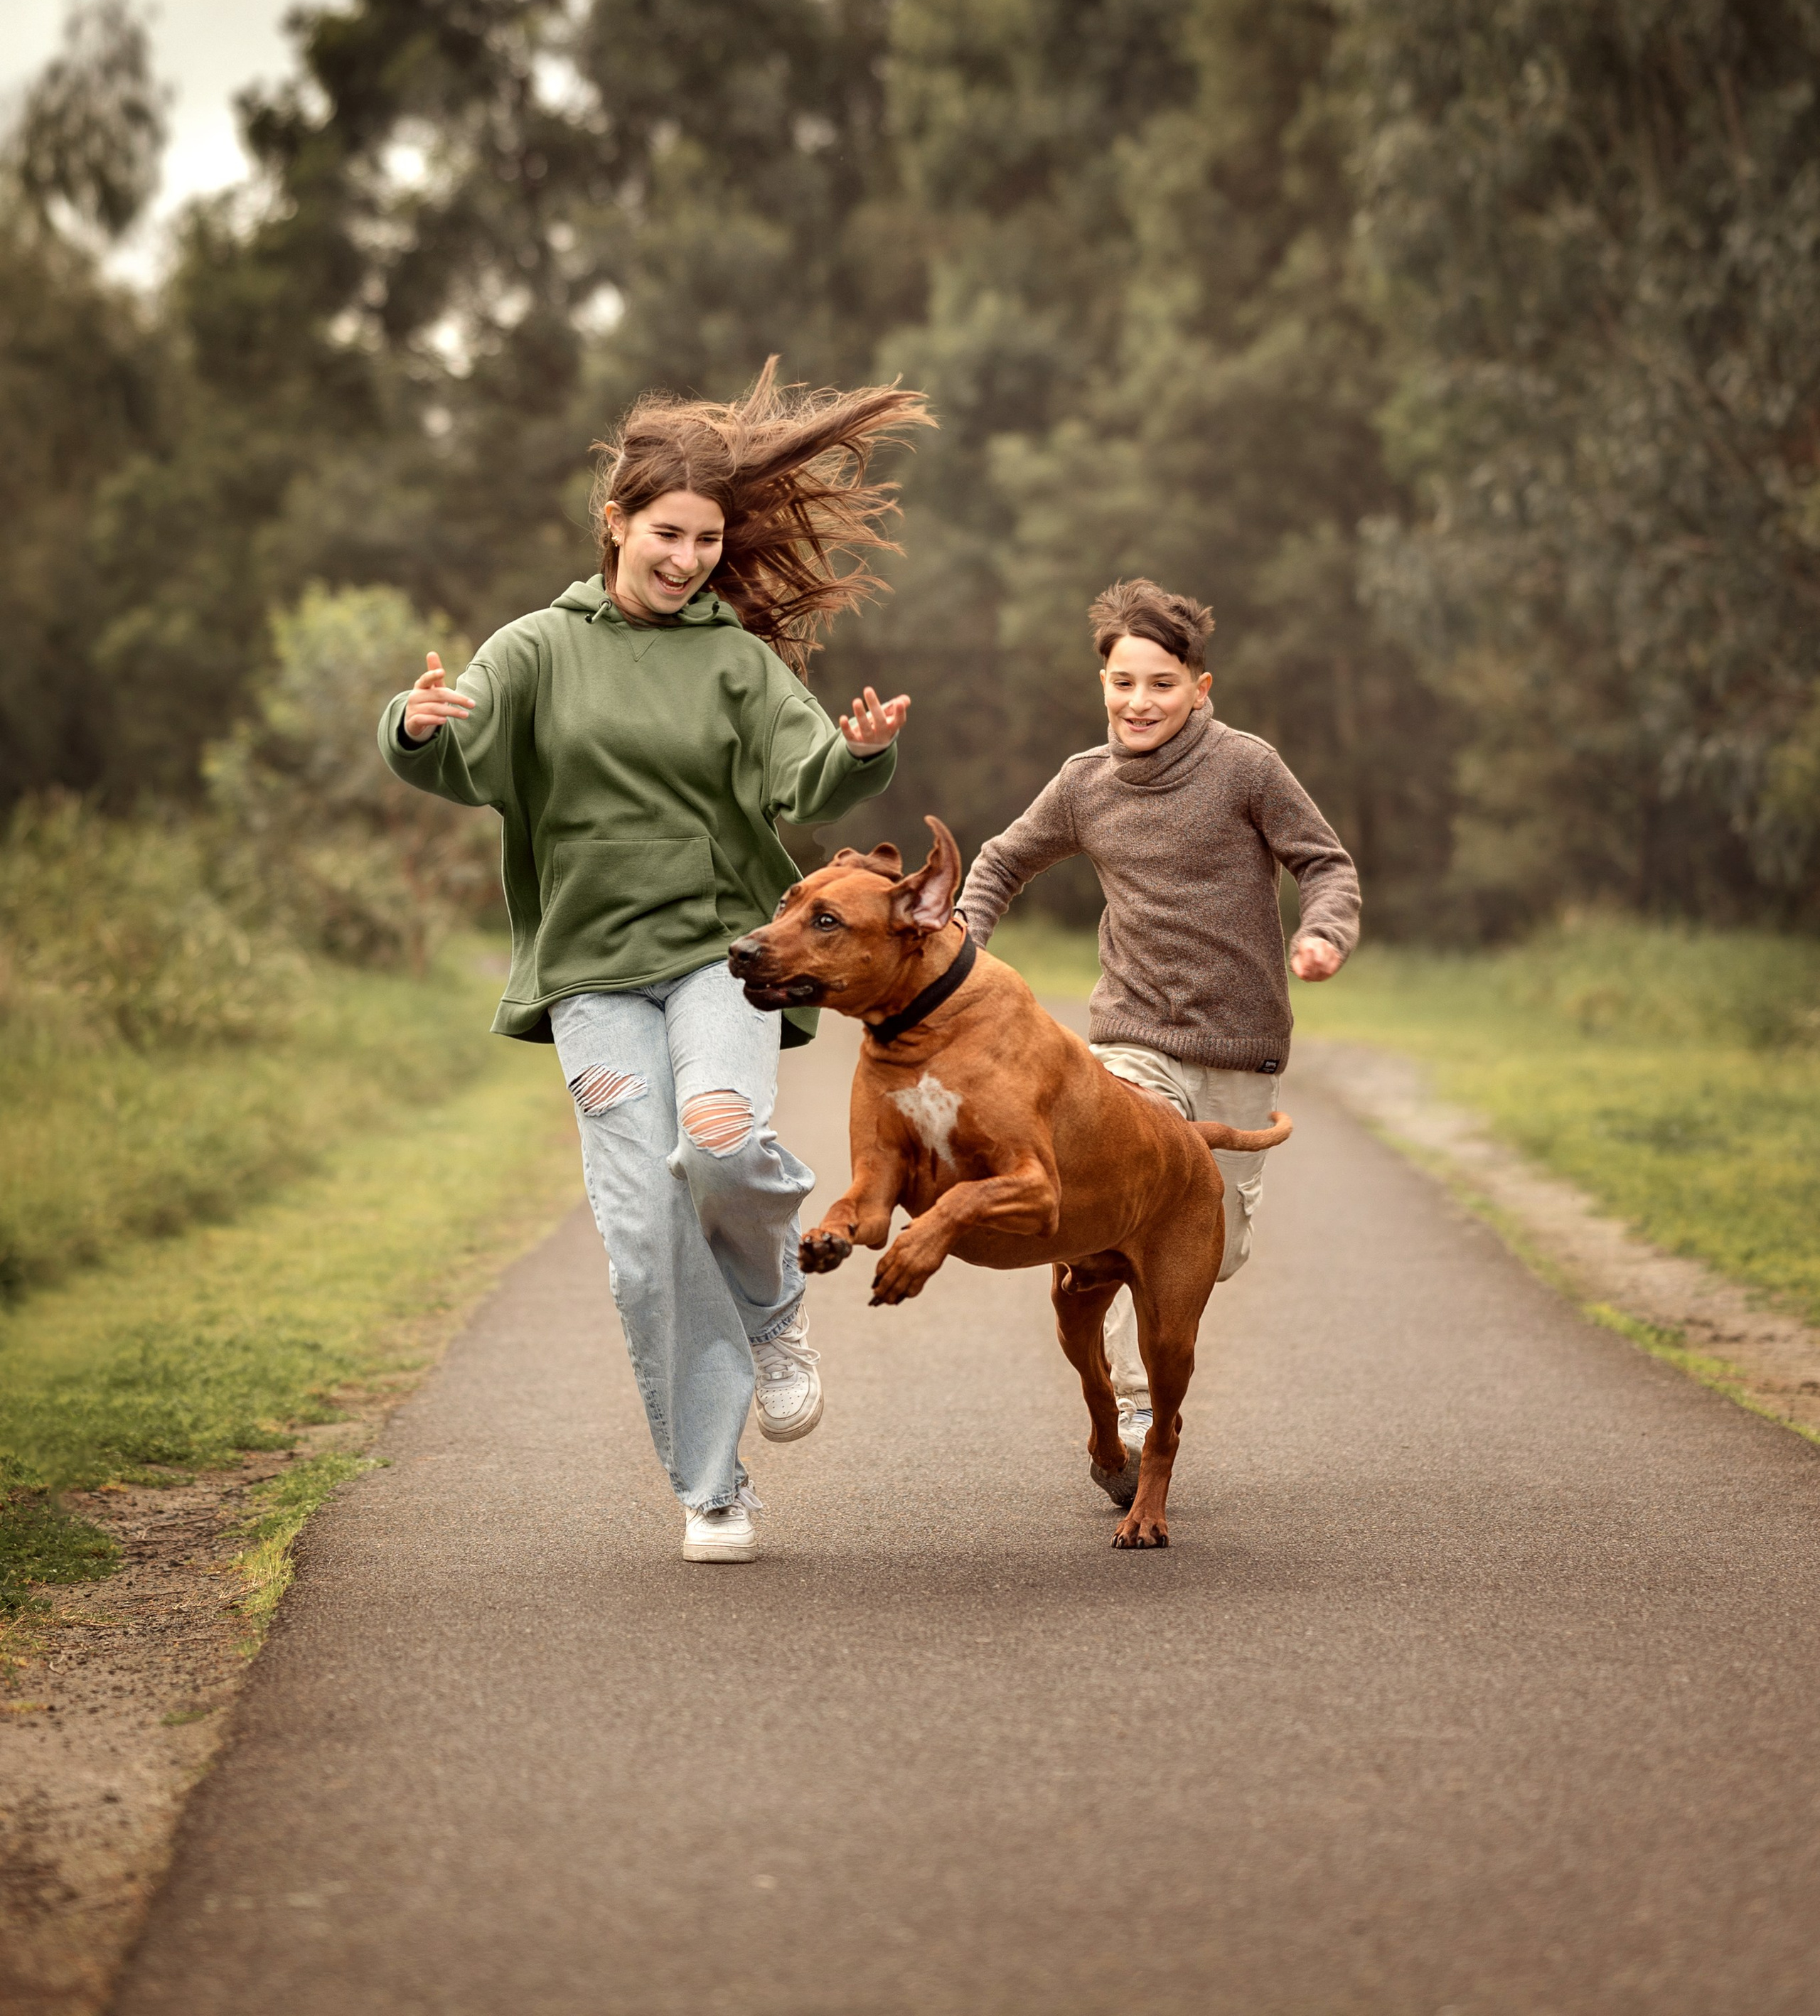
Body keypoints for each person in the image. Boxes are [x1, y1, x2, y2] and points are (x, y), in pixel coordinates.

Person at [379, 364, 929, 1564]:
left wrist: (858, 754)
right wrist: (414, 727)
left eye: (707, 539)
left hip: (718, 955)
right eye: (668, 534)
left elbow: (806, 780)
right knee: (641, 1230)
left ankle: (774, 1310)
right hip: (591, 973)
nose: (687, 558)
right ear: (617, 521)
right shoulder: (536, 649)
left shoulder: (734, 659)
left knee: (719, 1140)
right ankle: (712, 1487)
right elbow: (463, 751)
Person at [956, 577, 1360, 1489]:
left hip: (1239, 1045)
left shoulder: (1246, 768)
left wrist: (1324, 931)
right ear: (1101, 682)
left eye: (1161, 684)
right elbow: (1000, 860)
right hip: (1129, 1040)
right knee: (1117, 1212)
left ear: (1199, 687)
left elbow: (1323, 862)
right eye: (1123, 682)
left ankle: (1139, 1365)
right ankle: (1133, 1408)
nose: (1139, 702)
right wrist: (964, 945)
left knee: (1213, 1252)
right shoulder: (1083, 782)